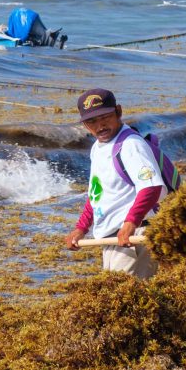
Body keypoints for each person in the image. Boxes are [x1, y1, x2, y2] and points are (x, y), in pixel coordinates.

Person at [65, 88, 167, 278]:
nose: (100, 125)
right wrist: (81, 228)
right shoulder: (98, 148)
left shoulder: (131, 145)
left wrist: (130, 223)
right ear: (85, 125)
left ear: (118, 111)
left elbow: (151, 187)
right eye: (92, 121)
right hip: (113, 236)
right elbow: (97, 194)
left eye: (105, 117)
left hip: (134, 234)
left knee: (129, 298)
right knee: (120, 296)